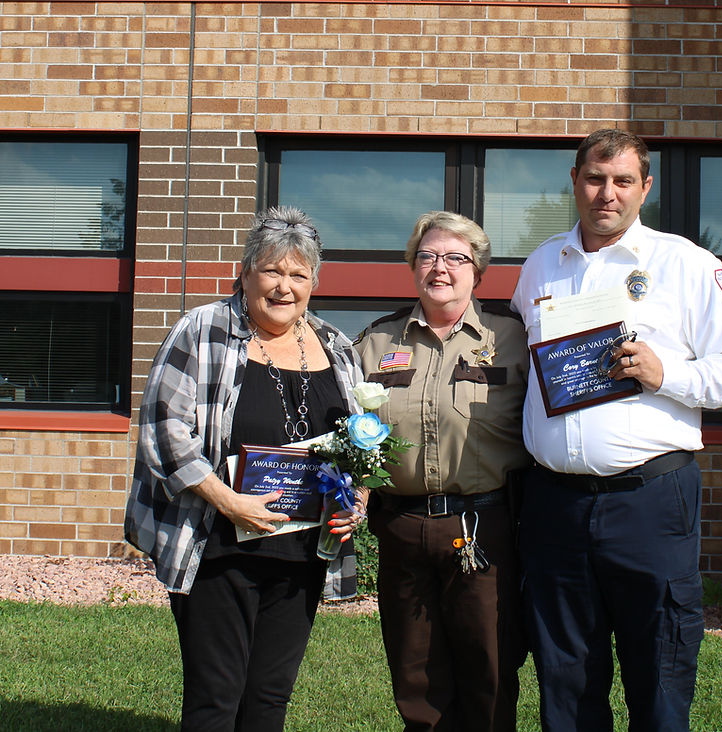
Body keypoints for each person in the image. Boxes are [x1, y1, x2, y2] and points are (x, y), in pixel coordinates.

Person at [510, 129, 722, 732]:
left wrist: (667, 374)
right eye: (595, 179)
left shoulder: (685, 264)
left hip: (649, 502)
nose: (607, 194)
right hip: (554, 503)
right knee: (566, 677)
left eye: (623, 181)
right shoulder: (541, 264)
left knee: (659, 671)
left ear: (645, 188)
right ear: (574, 181)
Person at [124, 206, 367, 731]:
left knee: (268, 701)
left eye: (298, 275)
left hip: (302, 550)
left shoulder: (337, 346)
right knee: (217, 700)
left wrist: (355, 502)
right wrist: (229, 500)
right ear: (246, 273)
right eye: (272, 271)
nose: (284, 287)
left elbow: (357, 446)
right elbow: (165, 429)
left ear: (314, 283)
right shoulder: (203, 329)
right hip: (219, 542)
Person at [354, 211, 530, 732]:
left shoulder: (513, 339)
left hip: (485, 529)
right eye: (428, 256)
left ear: (478, 270)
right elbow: (351, 433)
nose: (440, 268)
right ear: (412, 266)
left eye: (456, 258)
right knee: (416, 676)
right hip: (403, 529)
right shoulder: (376, 343)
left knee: (490, 671)